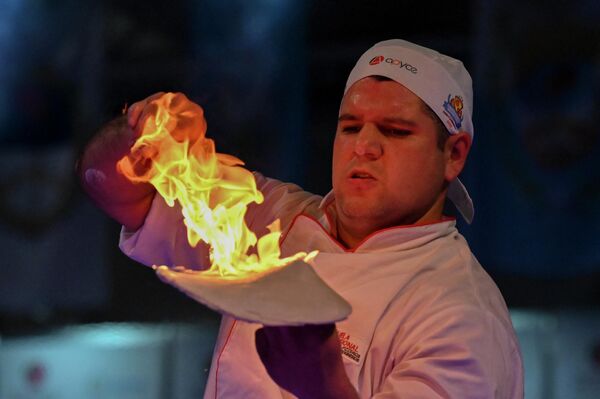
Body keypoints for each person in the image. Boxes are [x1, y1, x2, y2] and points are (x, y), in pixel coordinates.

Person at [78, 39, 524, 398]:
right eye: (350, 126)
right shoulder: (268, 215)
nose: (363, 146)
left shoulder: (462, 314)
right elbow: (112, 187)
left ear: (454, 155)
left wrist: (320, 384)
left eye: (394, 130)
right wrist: (142, 133)